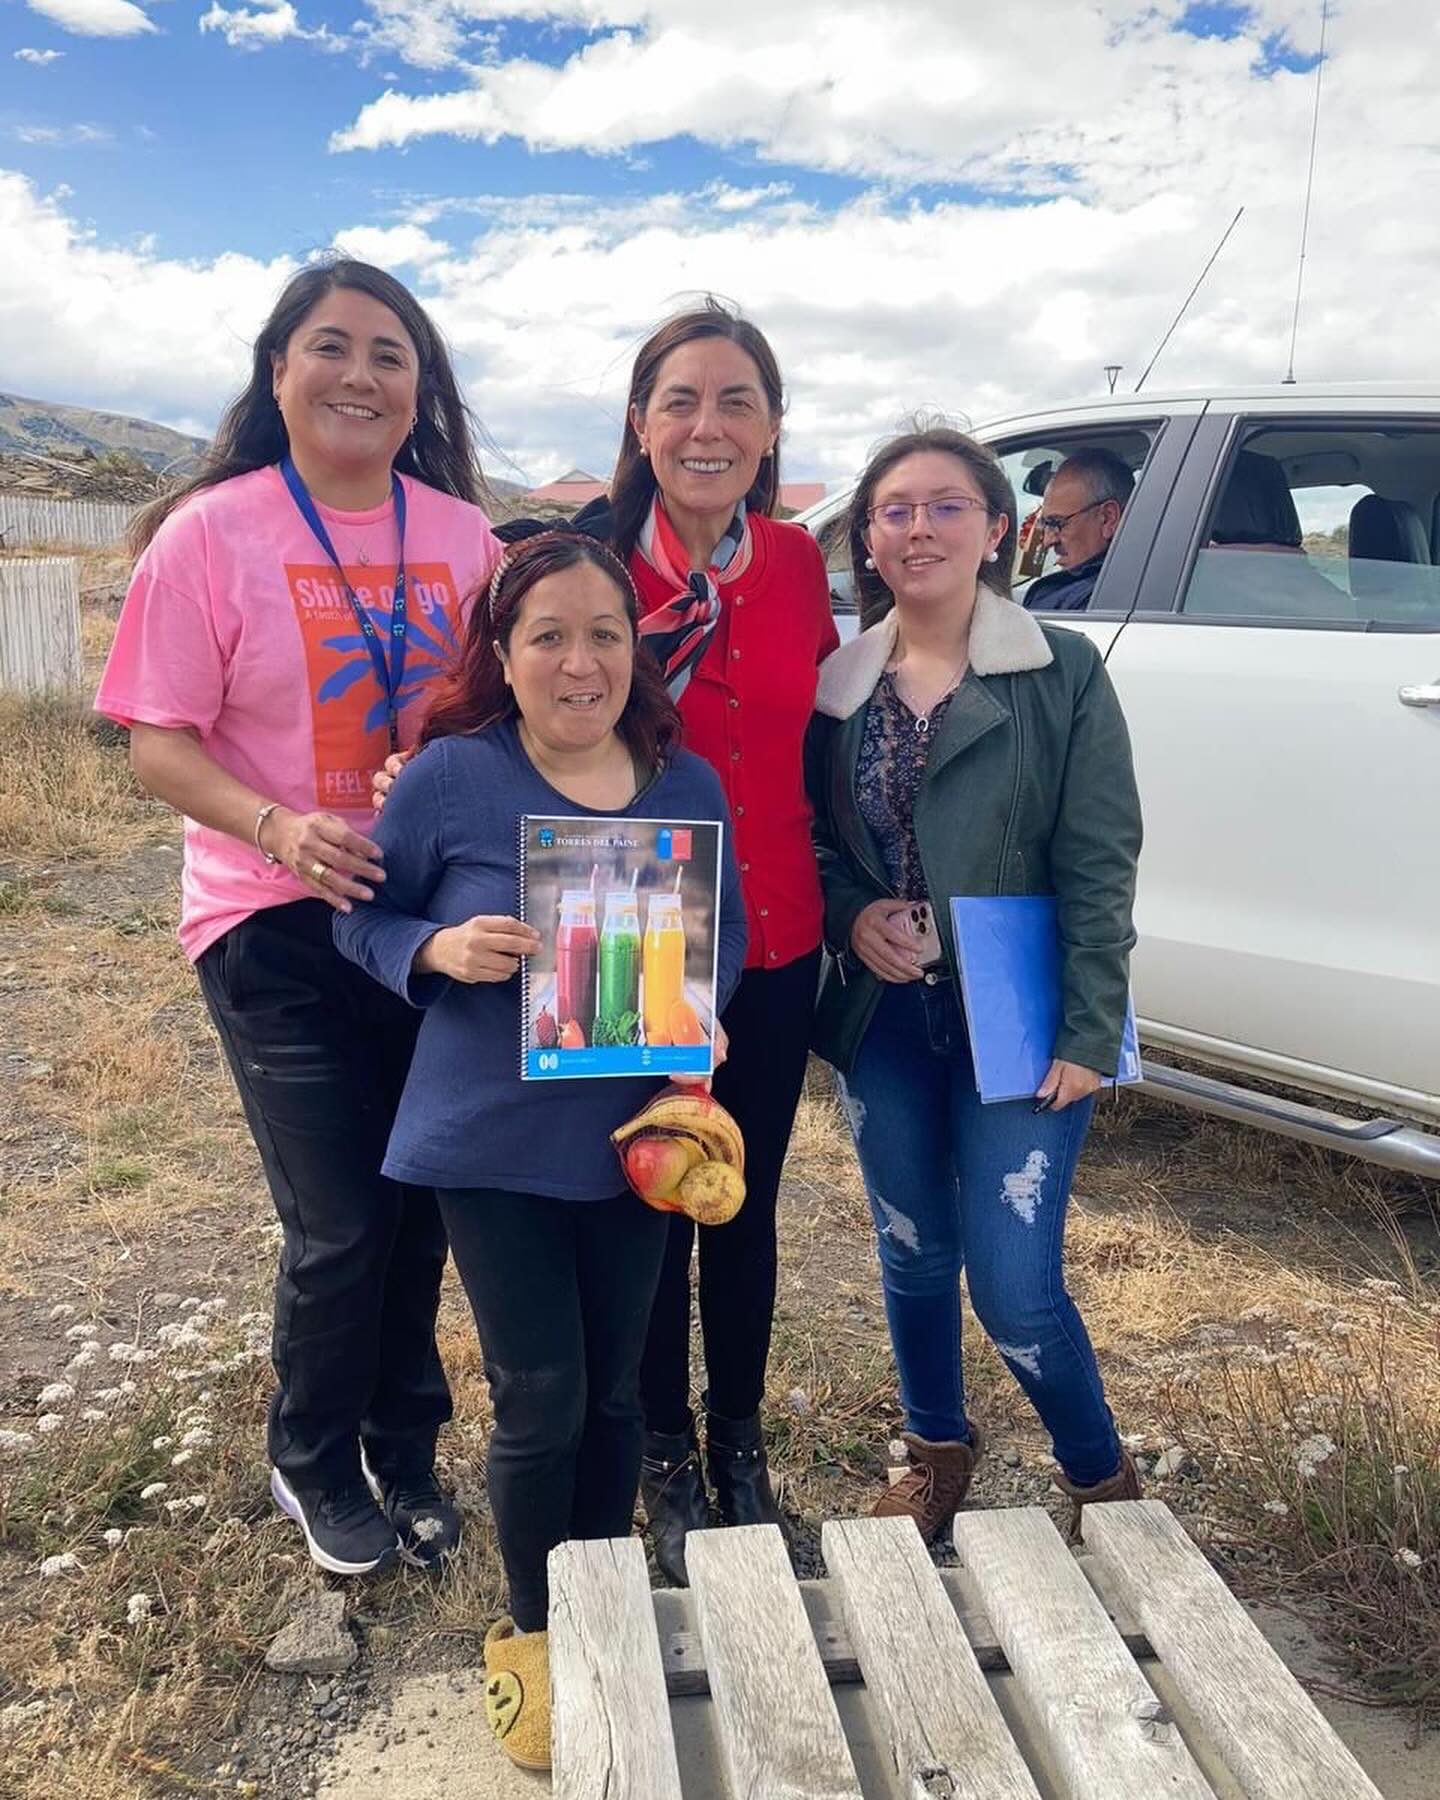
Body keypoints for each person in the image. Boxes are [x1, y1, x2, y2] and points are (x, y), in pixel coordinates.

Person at [377, 300, 837, 1585]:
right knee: (582, 1309)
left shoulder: (791, 576)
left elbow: (810, 770)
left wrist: (753, 962)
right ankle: (609, 1528)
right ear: (639, 422)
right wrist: (430, 917)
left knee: (722, 1222)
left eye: (738, 400)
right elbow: (422, 841)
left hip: (714, 994)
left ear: (770, 427)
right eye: (680, 399)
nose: (709, 425)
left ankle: (718, 1468)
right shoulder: (570, 592)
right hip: (546, 1054)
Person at [95, 258, 503, 1577]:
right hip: (270, 918)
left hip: (421, 918)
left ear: (419, 389)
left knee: (421, 1197)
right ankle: (314, 1455)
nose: (360, 377)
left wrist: (435, 772)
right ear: (279, 372)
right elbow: (157, 744)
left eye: (392, 355)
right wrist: (277, 824)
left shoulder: (463, 539)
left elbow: (493, 717)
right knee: (339, 1216)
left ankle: (409, 1446)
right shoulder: (213, 532)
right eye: (331, 347)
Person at [334, 532, 747, 1771]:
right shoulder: (452, 779)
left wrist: (703, 1014)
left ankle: (606, 1604)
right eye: (549, 637)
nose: (581, 663)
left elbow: (705, 946)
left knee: (617, 1389)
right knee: (543, 1394)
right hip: (491, 1144)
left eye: (606, 635)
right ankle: (534, 1637)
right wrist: (434, 951)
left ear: (639, 649)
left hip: (633, 1142)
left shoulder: (688, 786)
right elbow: (362, 920)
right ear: (503, 656)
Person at [806, 423, 1143, 1545]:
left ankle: (1100, 1477)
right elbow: (810, 842)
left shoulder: (1062, 675)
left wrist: (1092, 1028)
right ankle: (935, 1452)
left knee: (1011, 1280)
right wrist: (852, 916)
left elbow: (1100, 863)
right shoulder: (838, 690)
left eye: (947, 505)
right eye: (894, 509)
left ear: (1001, 529)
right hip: (885, 1019)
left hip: (1019, 1014)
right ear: (867, 536)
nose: (918, 527)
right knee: (910, 1248)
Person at [1021, 447, 1133, 611]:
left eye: (1057, 523)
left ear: (1108, 518)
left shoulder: (1084, 599)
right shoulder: (1144, 580)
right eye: (1045, 523)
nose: (1047, 541)